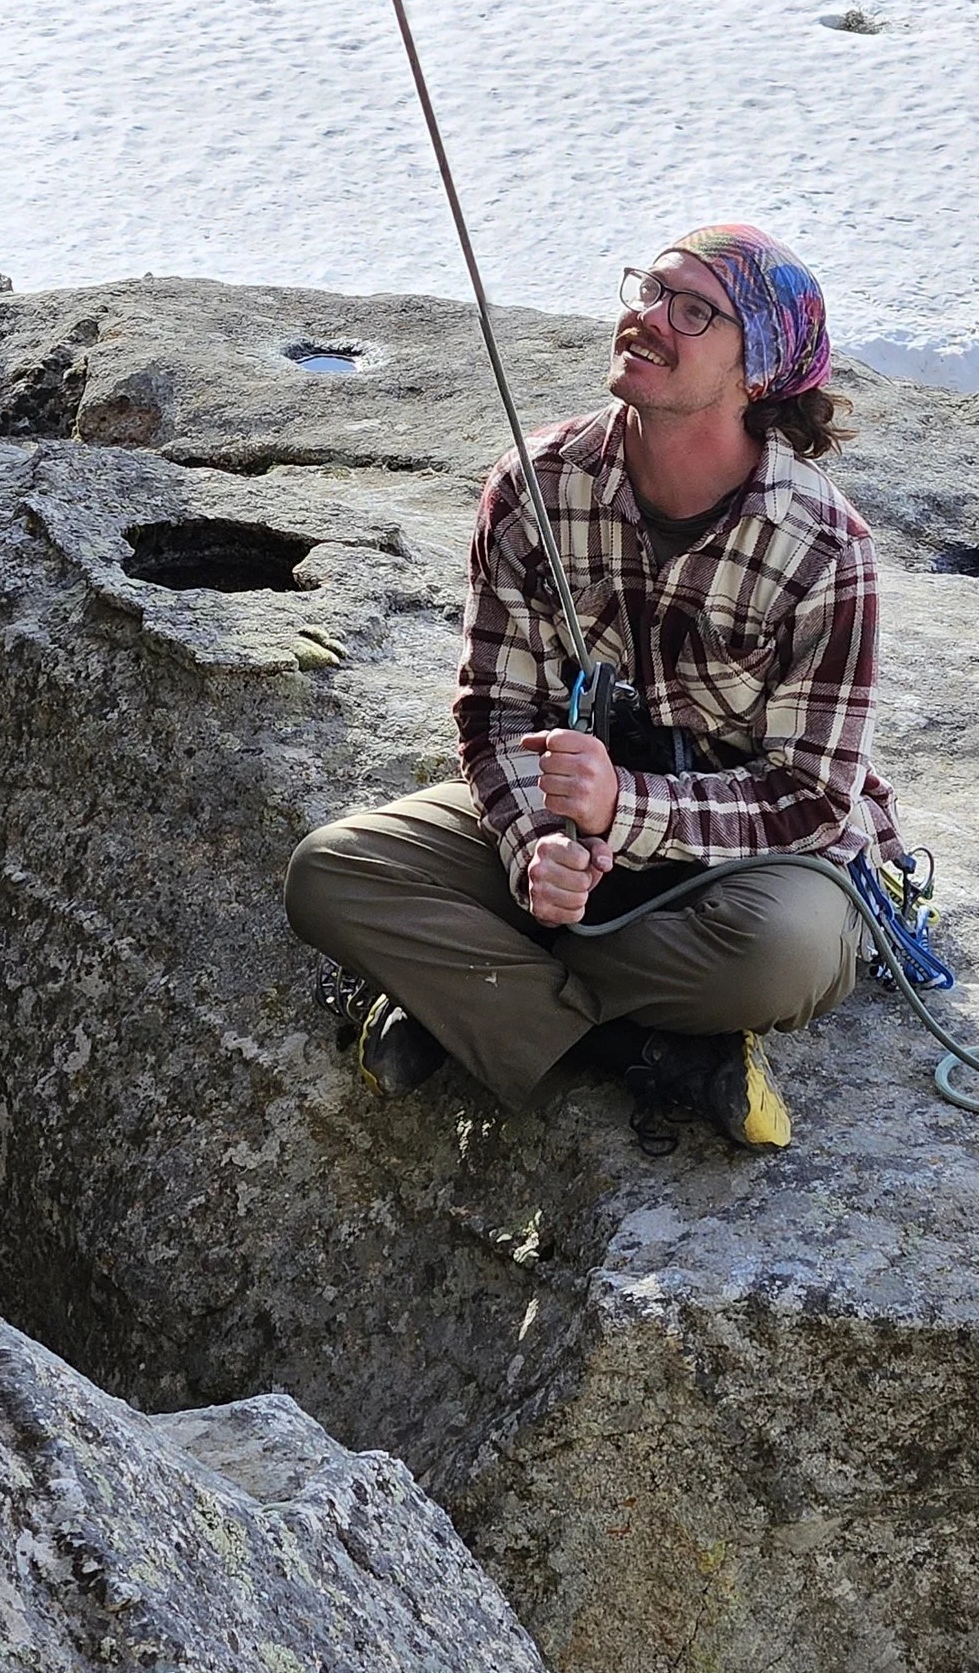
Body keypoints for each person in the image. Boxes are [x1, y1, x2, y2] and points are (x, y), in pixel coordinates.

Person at [285, 223, 898, 1152]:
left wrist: (626, 809)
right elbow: (496, 711)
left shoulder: (824, 547)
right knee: (334, 874)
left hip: (743, 859)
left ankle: (473, 1000)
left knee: (787, 954)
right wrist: (539, 848)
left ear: (759, 372)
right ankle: (651, 1051)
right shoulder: (536, 485)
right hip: (568, 818)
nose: (647, 319)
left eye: (694, 310)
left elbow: (811, 797)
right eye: (649, 290)